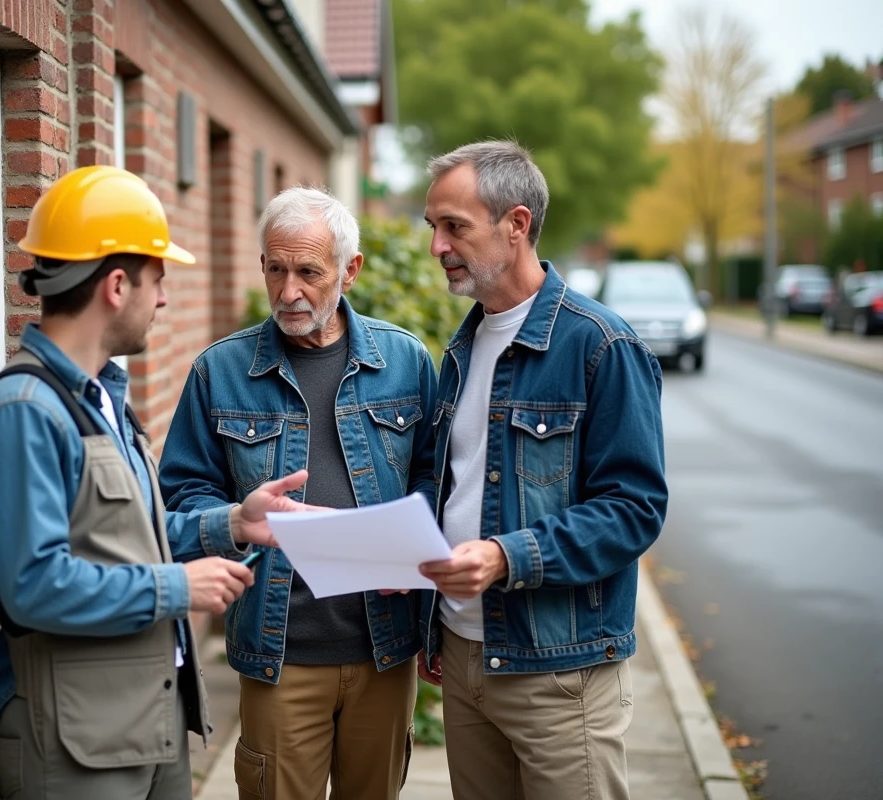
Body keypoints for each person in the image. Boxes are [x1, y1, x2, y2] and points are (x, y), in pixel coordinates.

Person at [0, 166, 314, 800]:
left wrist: (233, 523)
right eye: (157, 280)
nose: (162, 300)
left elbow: (130, 536)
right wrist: (178, 586)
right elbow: (31, 589)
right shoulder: (23, 414)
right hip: (73, 747)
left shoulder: (104, 401)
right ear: (117, 285)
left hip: (144, 727)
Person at [158, 187, 439, 800]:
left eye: (309, 272)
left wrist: (415, 554)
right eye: (275, 269)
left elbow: (435, 479)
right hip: (279, 653)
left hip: (383, 650)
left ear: (350, 271)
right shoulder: (219, 372)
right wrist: (235, 518)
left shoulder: (406, 361)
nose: (289, 291)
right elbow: (178, 502)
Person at [415, 141, 668, 800]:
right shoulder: (462, 349)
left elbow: (635, 508)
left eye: (454, 227)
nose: (437, 246)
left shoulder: (601, 345)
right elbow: (457, 488)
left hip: (561, 671)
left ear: (516, 224)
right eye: (432, 227)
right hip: (464, 655)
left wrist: (507, 556)